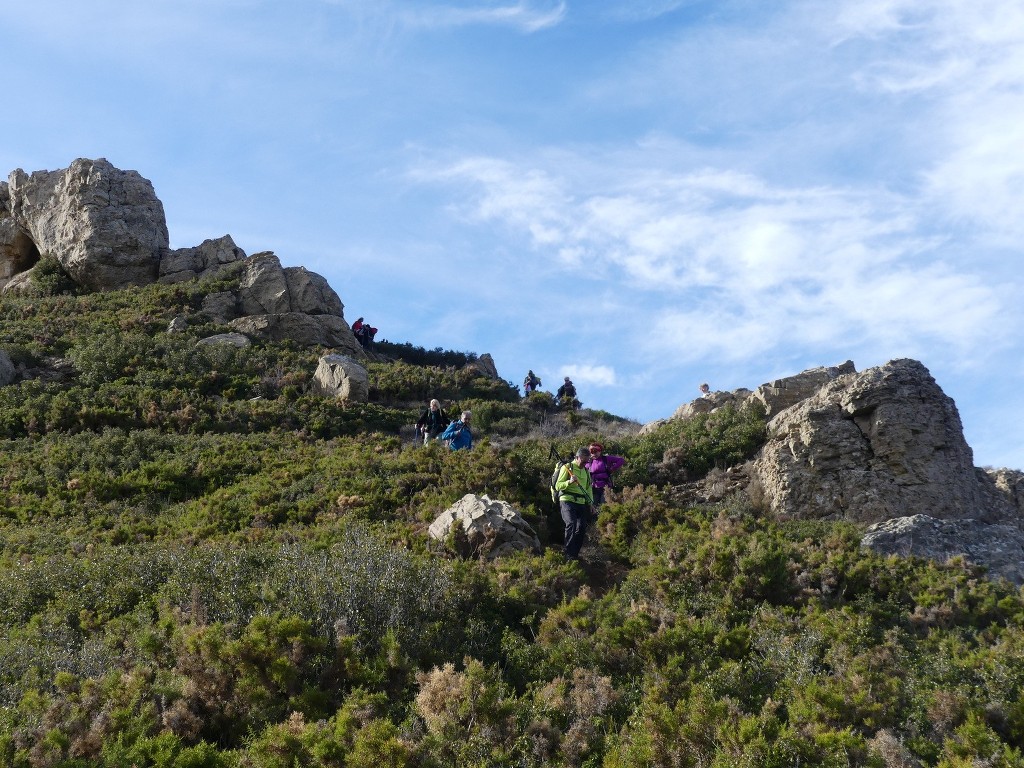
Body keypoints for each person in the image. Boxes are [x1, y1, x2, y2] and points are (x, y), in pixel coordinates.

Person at [554, 446, 594, 560]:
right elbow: (558, 485)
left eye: (587, 460)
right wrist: (569, 481)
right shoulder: (567, 467)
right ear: (577, 457)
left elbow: (588, 488)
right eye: (583, 459)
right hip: (567, 500)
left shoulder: (586, 471)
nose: (585, 463)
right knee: (571, 523)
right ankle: (567, 553)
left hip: (581, 501)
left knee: (581, 528)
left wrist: (590, 503)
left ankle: (574, 554)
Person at [584, 443, 625, 509]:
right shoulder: (588, 462)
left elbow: (621, 460)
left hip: (606, 487)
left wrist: (612, 469)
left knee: (603, 507)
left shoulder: (606, 459)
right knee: (594, 508)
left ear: (600, 451)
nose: (594, 453)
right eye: (592, 451)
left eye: (596, 451)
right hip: (594, 488)